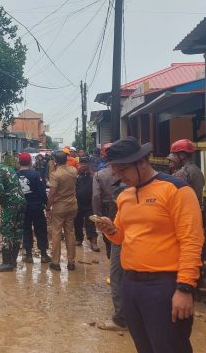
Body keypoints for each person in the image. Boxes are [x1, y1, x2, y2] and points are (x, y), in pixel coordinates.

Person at [95, 137, 204, 353]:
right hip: (131, 284)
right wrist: (110, 230)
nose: (118, 175)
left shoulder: (176, 190)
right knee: (144, 346)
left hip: (164, 285)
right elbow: (122, 236)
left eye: (122, 169)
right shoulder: (125, 195)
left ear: (141, 162)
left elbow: (192, 241)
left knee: (170, 346)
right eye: (115, 170)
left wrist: (184, 288)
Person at [92, 142, 128, 331]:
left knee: (117, 273)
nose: (114, 173)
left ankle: (121, 319)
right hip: (118, 226)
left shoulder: (100, 174)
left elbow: (96, 197)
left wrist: (97, 218)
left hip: (111, 217)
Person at [0, 154, 25, 272]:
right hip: (22, 201)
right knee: (17, 231)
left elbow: (1, 190)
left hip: (10, 204)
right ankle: (13, 261)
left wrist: (3, 205)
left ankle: (6, 262)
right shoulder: (9, 168)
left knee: (7, 231)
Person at [46, 151, 78, 271]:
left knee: (56, 233)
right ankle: (71, 261)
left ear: (55, 161)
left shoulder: (55, 174)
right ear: (66, 159)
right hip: (72, 205)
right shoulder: (73, 171)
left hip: (60, 207)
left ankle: (55, 262)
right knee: (70, 232)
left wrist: (48, 207)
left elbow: (52, 193)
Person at [16, 152, 51, 264]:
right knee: (40, 229)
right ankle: (44, 255)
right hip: (36, 207)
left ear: (19, 162)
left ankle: (29, 255)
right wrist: (46, 205)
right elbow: (42, 191)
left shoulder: (15, 175)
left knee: (26, 230)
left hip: (23, 207)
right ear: (30, 162)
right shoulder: (36, 175)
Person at [169, 139, 205, 207]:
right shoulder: (197, 170)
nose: (173, 158)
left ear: (182, 155)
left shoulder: (182, 173)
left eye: (174, 155)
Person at [75, 162, 99, 252]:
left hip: (90, 204)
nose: (83, 165)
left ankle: (93, 242)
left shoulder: (93, 176)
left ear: (88, 165)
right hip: (78, 203)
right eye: (82, 164)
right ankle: (78, 239)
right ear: (79, 165)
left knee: (90, 223)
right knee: (77, 222)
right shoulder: (76, 176)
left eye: (85, 163)